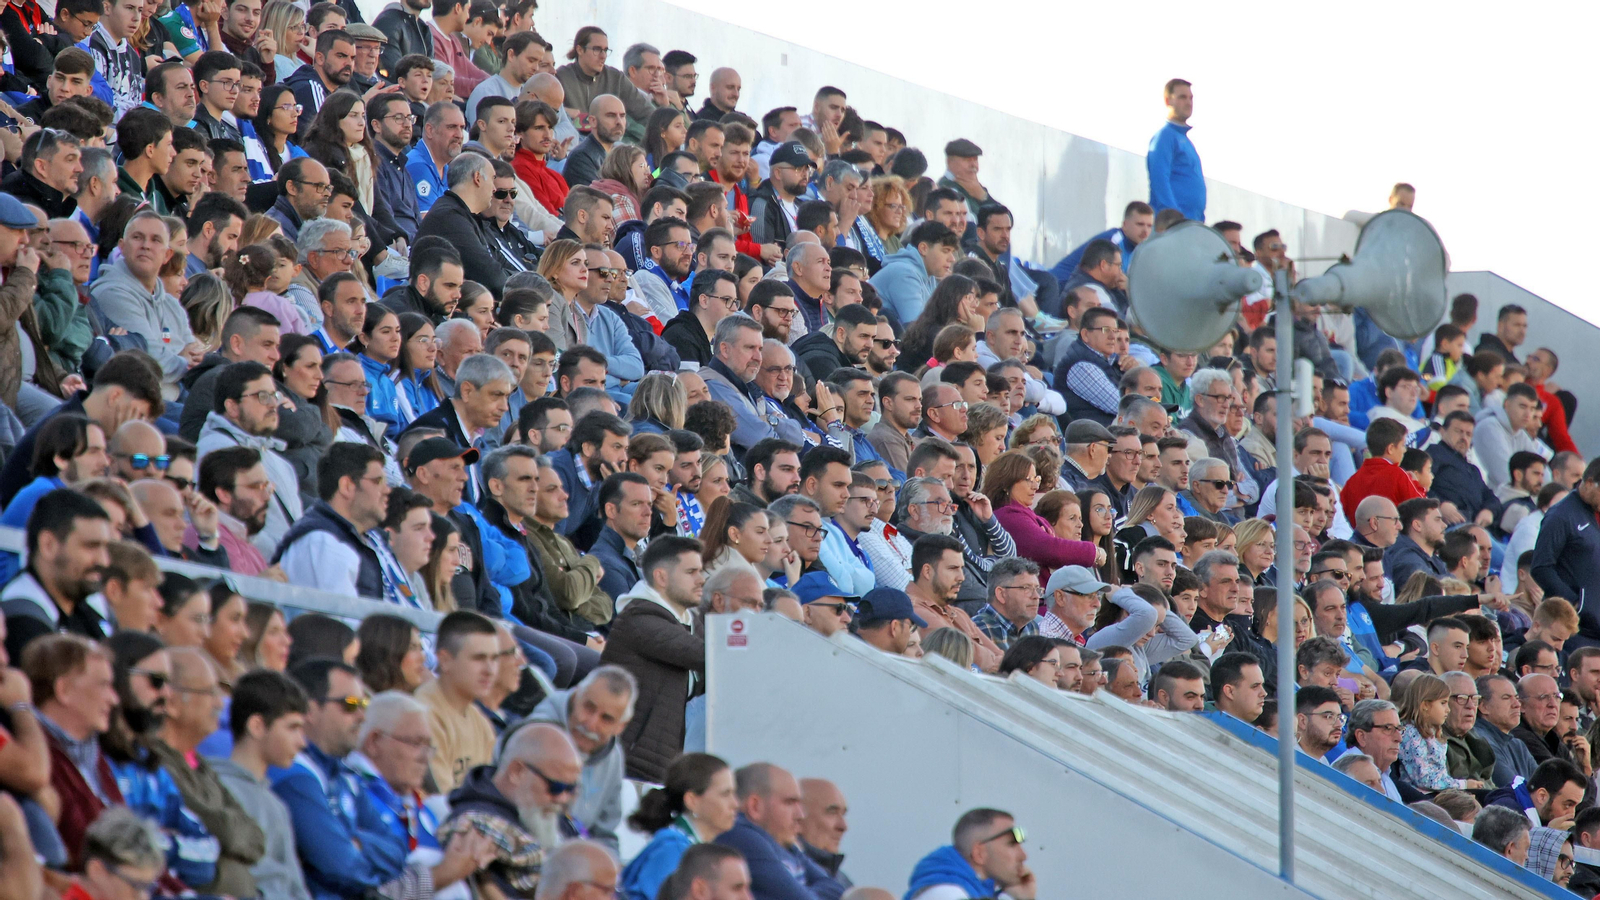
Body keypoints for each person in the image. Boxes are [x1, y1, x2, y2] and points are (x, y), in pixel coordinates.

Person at [274, 657, 410, 899]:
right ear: (310, 711)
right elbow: (341, 866)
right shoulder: (293, 774)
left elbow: (399, 851)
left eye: (364, 704)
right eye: (350, 704)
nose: (362, 716)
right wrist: (356, 849)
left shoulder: (344, 775)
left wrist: (355, 841)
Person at [601, 535, 707, 782]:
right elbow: (705, 654)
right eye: (691, 572)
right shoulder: (640, 618)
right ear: (661, 577)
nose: (701, 579)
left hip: (657, 765)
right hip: (628, 766)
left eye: (701, 571)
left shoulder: (690, 621)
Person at [437, 722, 584, 897]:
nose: (563, 798)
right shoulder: (476, 821)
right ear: (517, 771)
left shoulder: (542, 810)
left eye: (570, 789)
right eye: (556, 787)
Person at [521, 665, 637, 851]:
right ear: (575, 696)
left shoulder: (614, 758)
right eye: (589, 707)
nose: (591, 724)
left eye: (606, 718)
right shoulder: (539, 733)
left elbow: (604, 835)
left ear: (620, 727)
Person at [715, 762, 844, 900]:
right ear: (755, 806)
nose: (800, 815)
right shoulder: (742, 838)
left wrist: (806, 892)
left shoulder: (785, 843)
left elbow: (836, 888)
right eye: (790, 802)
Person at [621, 752, 739, 900]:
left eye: (734, 793)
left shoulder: (688, 848)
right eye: (725, 794)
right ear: (692, 801)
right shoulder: (673, 852)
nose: (735, 804)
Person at [414, 610, 499, 793]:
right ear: (445, 660)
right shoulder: (422, 716)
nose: (490, 670)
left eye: (494, 659)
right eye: (479, 658)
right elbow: (441, 799)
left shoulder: (482, 723)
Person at [905, 534, 1001, 673]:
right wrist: (997, 663)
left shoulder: (958, 613)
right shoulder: (914, 611)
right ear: (927, 571)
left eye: (962, 568)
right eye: (953, 568)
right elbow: (976, 659)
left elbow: (1000, 657)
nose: (961, 577)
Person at [905, 807, 1034, 900]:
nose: (1023, 856)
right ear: (979, 853)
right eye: (1011, 844)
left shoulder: (977, 891)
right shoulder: (945, 894)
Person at [1146, 78, 1204, 220]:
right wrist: (1173, 216)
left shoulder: (1186, 142)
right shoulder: (1165, 137)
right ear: (1168, 101)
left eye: (1191, 98)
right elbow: (1159, 179)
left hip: (1190, 223)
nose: (1189, 102)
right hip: (1173, 224)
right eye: (1182, 97)